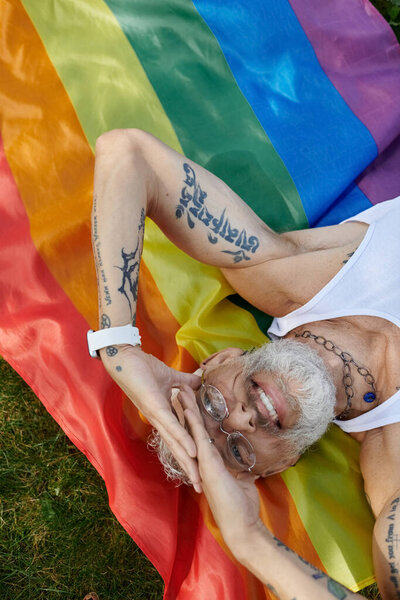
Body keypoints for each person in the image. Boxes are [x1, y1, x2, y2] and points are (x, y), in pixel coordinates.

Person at [89, 128, 400, 599]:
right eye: (236, 451)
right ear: (283, 465)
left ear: (223, 359)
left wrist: (118, 346)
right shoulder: (392, 461)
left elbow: (128, 154)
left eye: (211, 403)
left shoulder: (288, 278)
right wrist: (251, 541)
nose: (242, 418)